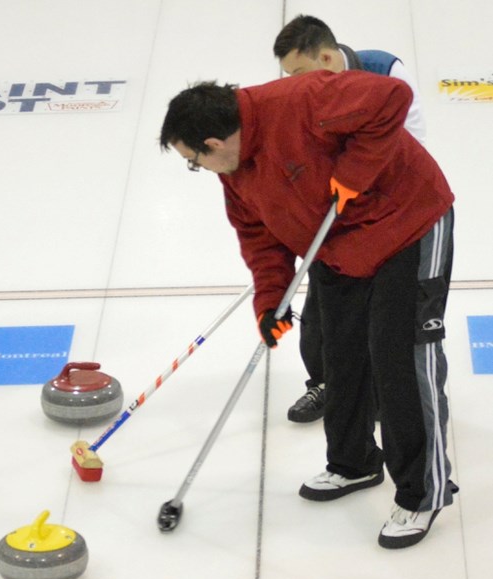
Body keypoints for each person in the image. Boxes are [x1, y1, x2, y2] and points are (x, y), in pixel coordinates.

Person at [159, 71, 455, 549]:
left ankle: (423, 493)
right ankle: (354, 463)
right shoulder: (234, 173)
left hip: (407, 224)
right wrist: (270, 300)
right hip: (337, 246)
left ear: (213, 142)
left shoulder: (304, 99)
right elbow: (259, 237)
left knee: (400, 359)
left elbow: (392, 97)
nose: (202, 169)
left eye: (195, 161)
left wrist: (354, 173)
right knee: (338, 356)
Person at [273, 14, 427, 423]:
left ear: (326, 56)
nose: (294, 83)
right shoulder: (298, 92)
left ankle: (379, 390)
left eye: (300, 72)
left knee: (382, 314)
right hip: (332, 217)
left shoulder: (384, 70)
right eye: (288, 75)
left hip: (387, 216)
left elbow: (409, 143)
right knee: (324, 309)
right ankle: (326, 383)